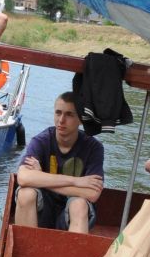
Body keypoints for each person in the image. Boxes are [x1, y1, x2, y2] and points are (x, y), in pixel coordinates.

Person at [14, 92, 104, 233]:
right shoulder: (41, 141)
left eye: (69, 114)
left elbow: (92, 193)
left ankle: (74, 254)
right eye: (58, 113)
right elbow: (23, 178)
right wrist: (75, 181)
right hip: (43, 211)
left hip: (71, 216)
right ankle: (26, 251)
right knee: (25, 194)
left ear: (80, 119)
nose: (61, 120)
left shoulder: (93, 148)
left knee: (79, 205)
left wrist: (40, 178)